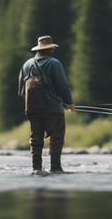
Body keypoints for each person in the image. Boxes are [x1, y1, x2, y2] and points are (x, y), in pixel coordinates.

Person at [18, 36, 75, 175]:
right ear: (49, 49)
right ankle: (55, 168)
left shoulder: (26, 65)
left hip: (32, 109)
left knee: (35, 139)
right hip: (53, 109)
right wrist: (69, 103)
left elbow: (21, 91)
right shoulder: (54, 63)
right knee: (56, 138)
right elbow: (62, 86)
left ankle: (36, 168)